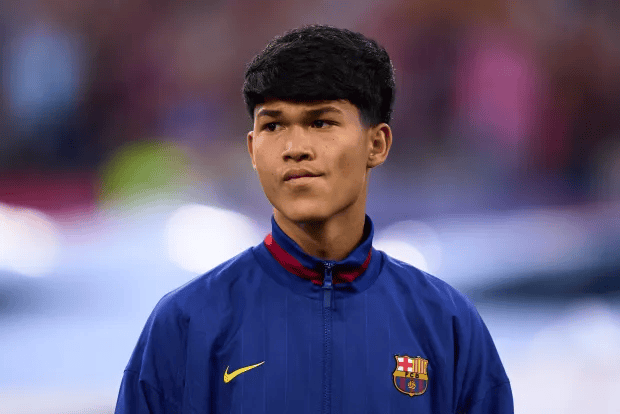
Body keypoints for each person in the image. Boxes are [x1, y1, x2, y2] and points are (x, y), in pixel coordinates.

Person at [114, 24, 513, 413]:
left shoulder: (446, 323)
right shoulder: (187, 323)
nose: (295, 148)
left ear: (377, 144)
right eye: (273, 125)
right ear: (252, 150)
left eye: (321, 122)